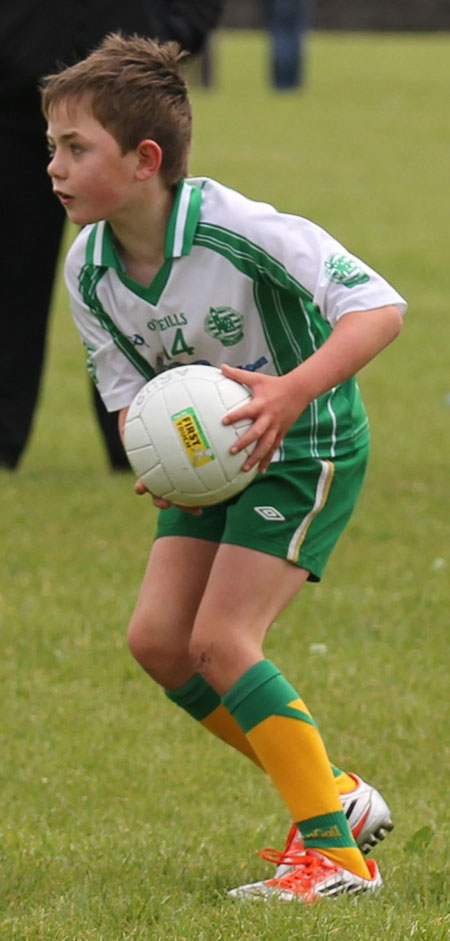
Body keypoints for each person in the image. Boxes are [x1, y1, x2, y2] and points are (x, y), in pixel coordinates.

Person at [42, 33, 406, 902]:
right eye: (50, 145)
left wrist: (288, 394)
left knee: (221, 642)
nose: (51, 164)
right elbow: (129, 393)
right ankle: (335, 796)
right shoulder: (88, 271)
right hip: (216, 459)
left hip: (304, 438)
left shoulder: (237, 229)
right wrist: (152, 449)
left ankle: (340, 861)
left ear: (145, 160)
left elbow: (378, 309)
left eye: (73, 147)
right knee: (163, 643)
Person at [0, 0, 224, 470]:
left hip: (128, 118)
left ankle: (150, 444)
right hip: (12, 107)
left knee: (145, 285)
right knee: (9, 284)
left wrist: (173, 31)